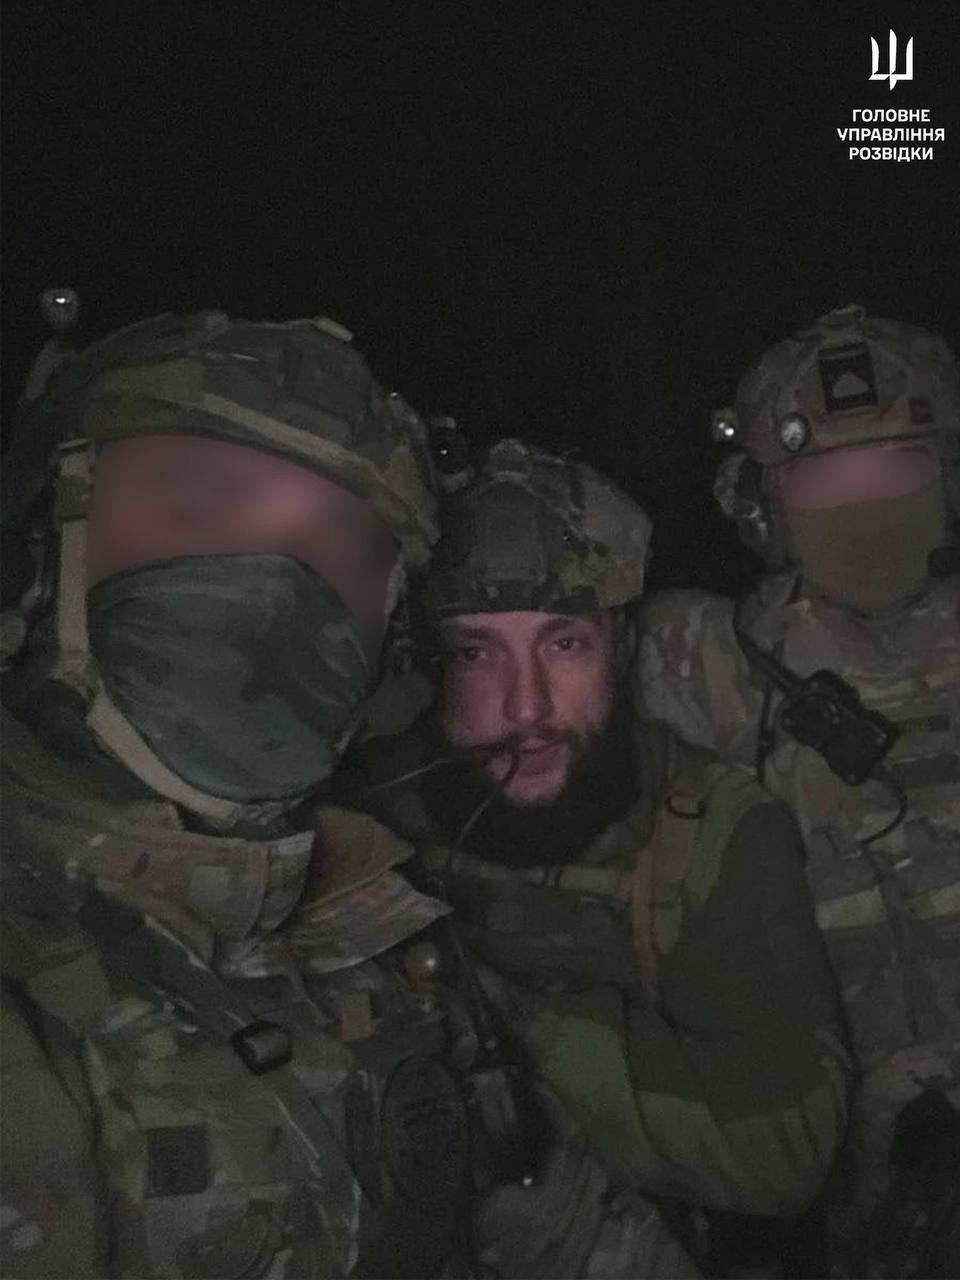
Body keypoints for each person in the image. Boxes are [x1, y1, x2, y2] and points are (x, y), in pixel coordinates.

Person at [355, 438, 850, 1276]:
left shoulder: (712, 829)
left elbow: (783, 1149)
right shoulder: (370, 818)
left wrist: (501, 1022)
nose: (526, 707)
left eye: (564, 646)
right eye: (475, 653)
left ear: (618, 645)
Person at [637, 304, 960, 1275]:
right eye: (823, 476)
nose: (865, 506)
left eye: (897, 466)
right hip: (825, 1193)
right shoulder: (703, 664)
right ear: (759, 504)